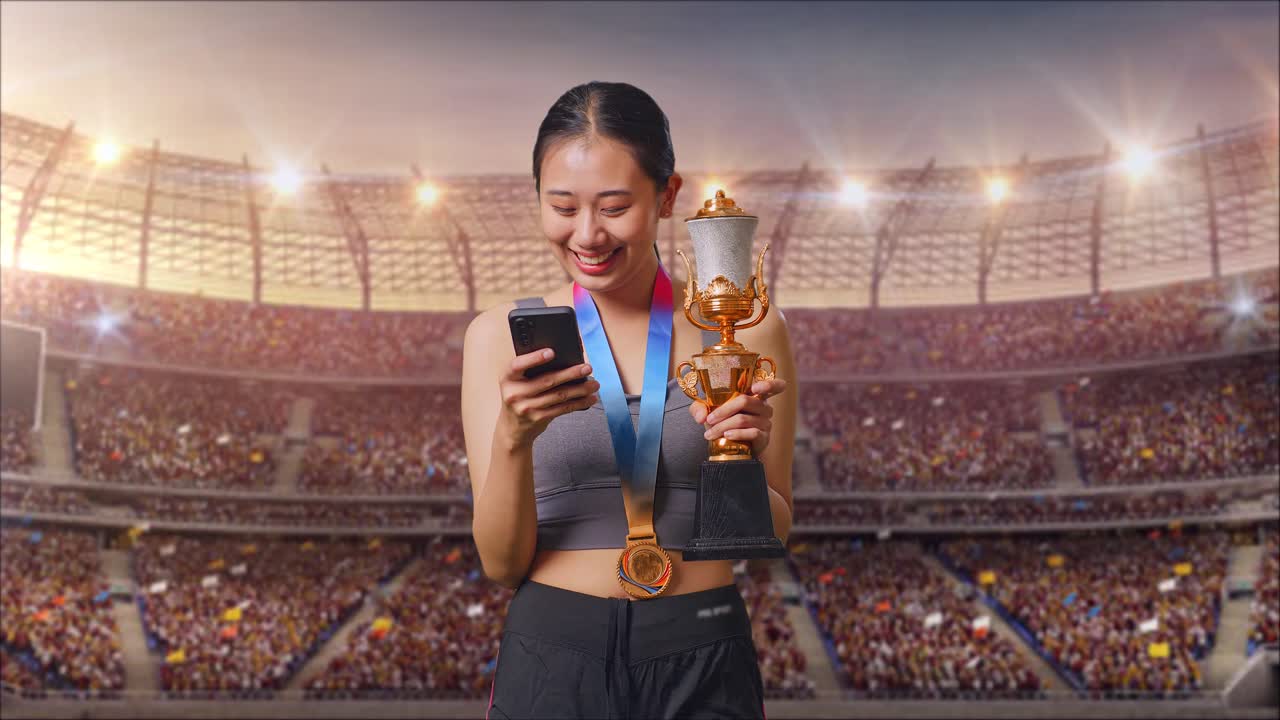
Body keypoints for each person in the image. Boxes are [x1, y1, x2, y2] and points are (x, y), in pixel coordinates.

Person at [461, 81, 797, 719]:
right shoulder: (494, 339)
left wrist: (741, 458)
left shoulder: (749, 330)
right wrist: (513, 437)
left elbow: (770, 532)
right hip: (554, 651)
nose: (587, 234)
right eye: (562, 206)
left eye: (614, 206)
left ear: (667, 196)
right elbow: (502, 565)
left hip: (703, 643)